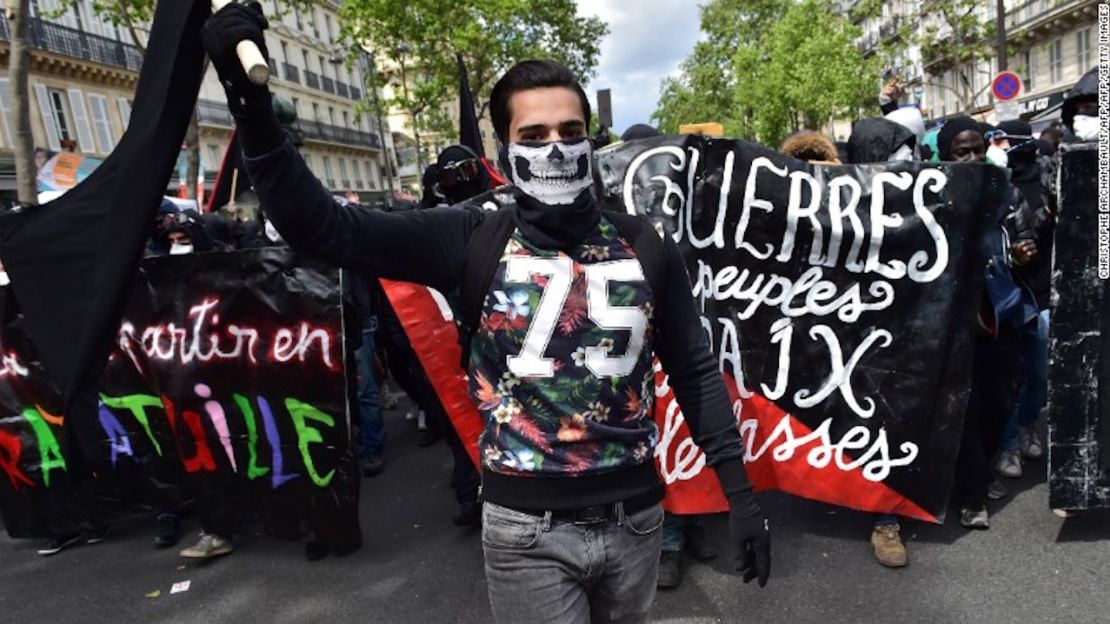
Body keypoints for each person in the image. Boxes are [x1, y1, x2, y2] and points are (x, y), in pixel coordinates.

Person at [201, 7, 771, 623]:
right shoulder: (471, 238)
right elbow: (323, 228)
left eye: (570, 130)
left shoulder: (646, 245)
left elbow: (692, 368)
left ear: (590, 138)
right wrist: (249, 108)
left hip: (634, 520)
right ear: (506, 147)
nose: (555, 147)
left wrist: (739, 495)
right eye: (533, 136)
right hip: (526, 531)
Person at [622, 123, 718, 588]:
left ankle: (696, 526)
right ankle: (671, 541)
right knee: (662, 452)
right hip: (645, 351)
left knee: (693, 444)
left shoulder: (696, 209)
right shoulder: (616, 222)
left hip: (698, 338)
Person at [937, 116, 1035, 530]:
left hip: (1000, 317)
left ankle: (980, 473)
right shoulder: (932, 197)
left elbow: (1023, 238)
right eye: (963, 151)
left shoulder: (1007, 193)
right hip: (951, 323)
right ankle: (972, 495)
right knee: (967, 410)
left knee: (998, 403)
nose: (975, 157)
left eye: (979, 148)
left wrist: (1022, 250)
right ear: (945, 157)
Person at [845, 115, 920, 567]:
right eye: (897, 153)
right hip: (850, 331)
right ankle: (870, 506)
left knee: (894, 418)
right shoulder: (836, 204)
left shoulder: (924, 198)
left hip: (908, 327)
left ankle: (885, 515)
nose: (907, 162)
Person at [994, 120, 1053, 479]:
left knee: (1039, 372)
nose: (997, 146)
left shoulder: (1052, 180)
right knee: (1008, 377)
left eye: (1002, 139)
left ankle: (1028, 422)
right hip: (1007, 295)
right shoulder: (997, 185)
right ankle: (1010, 444)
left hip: (1043, 292)